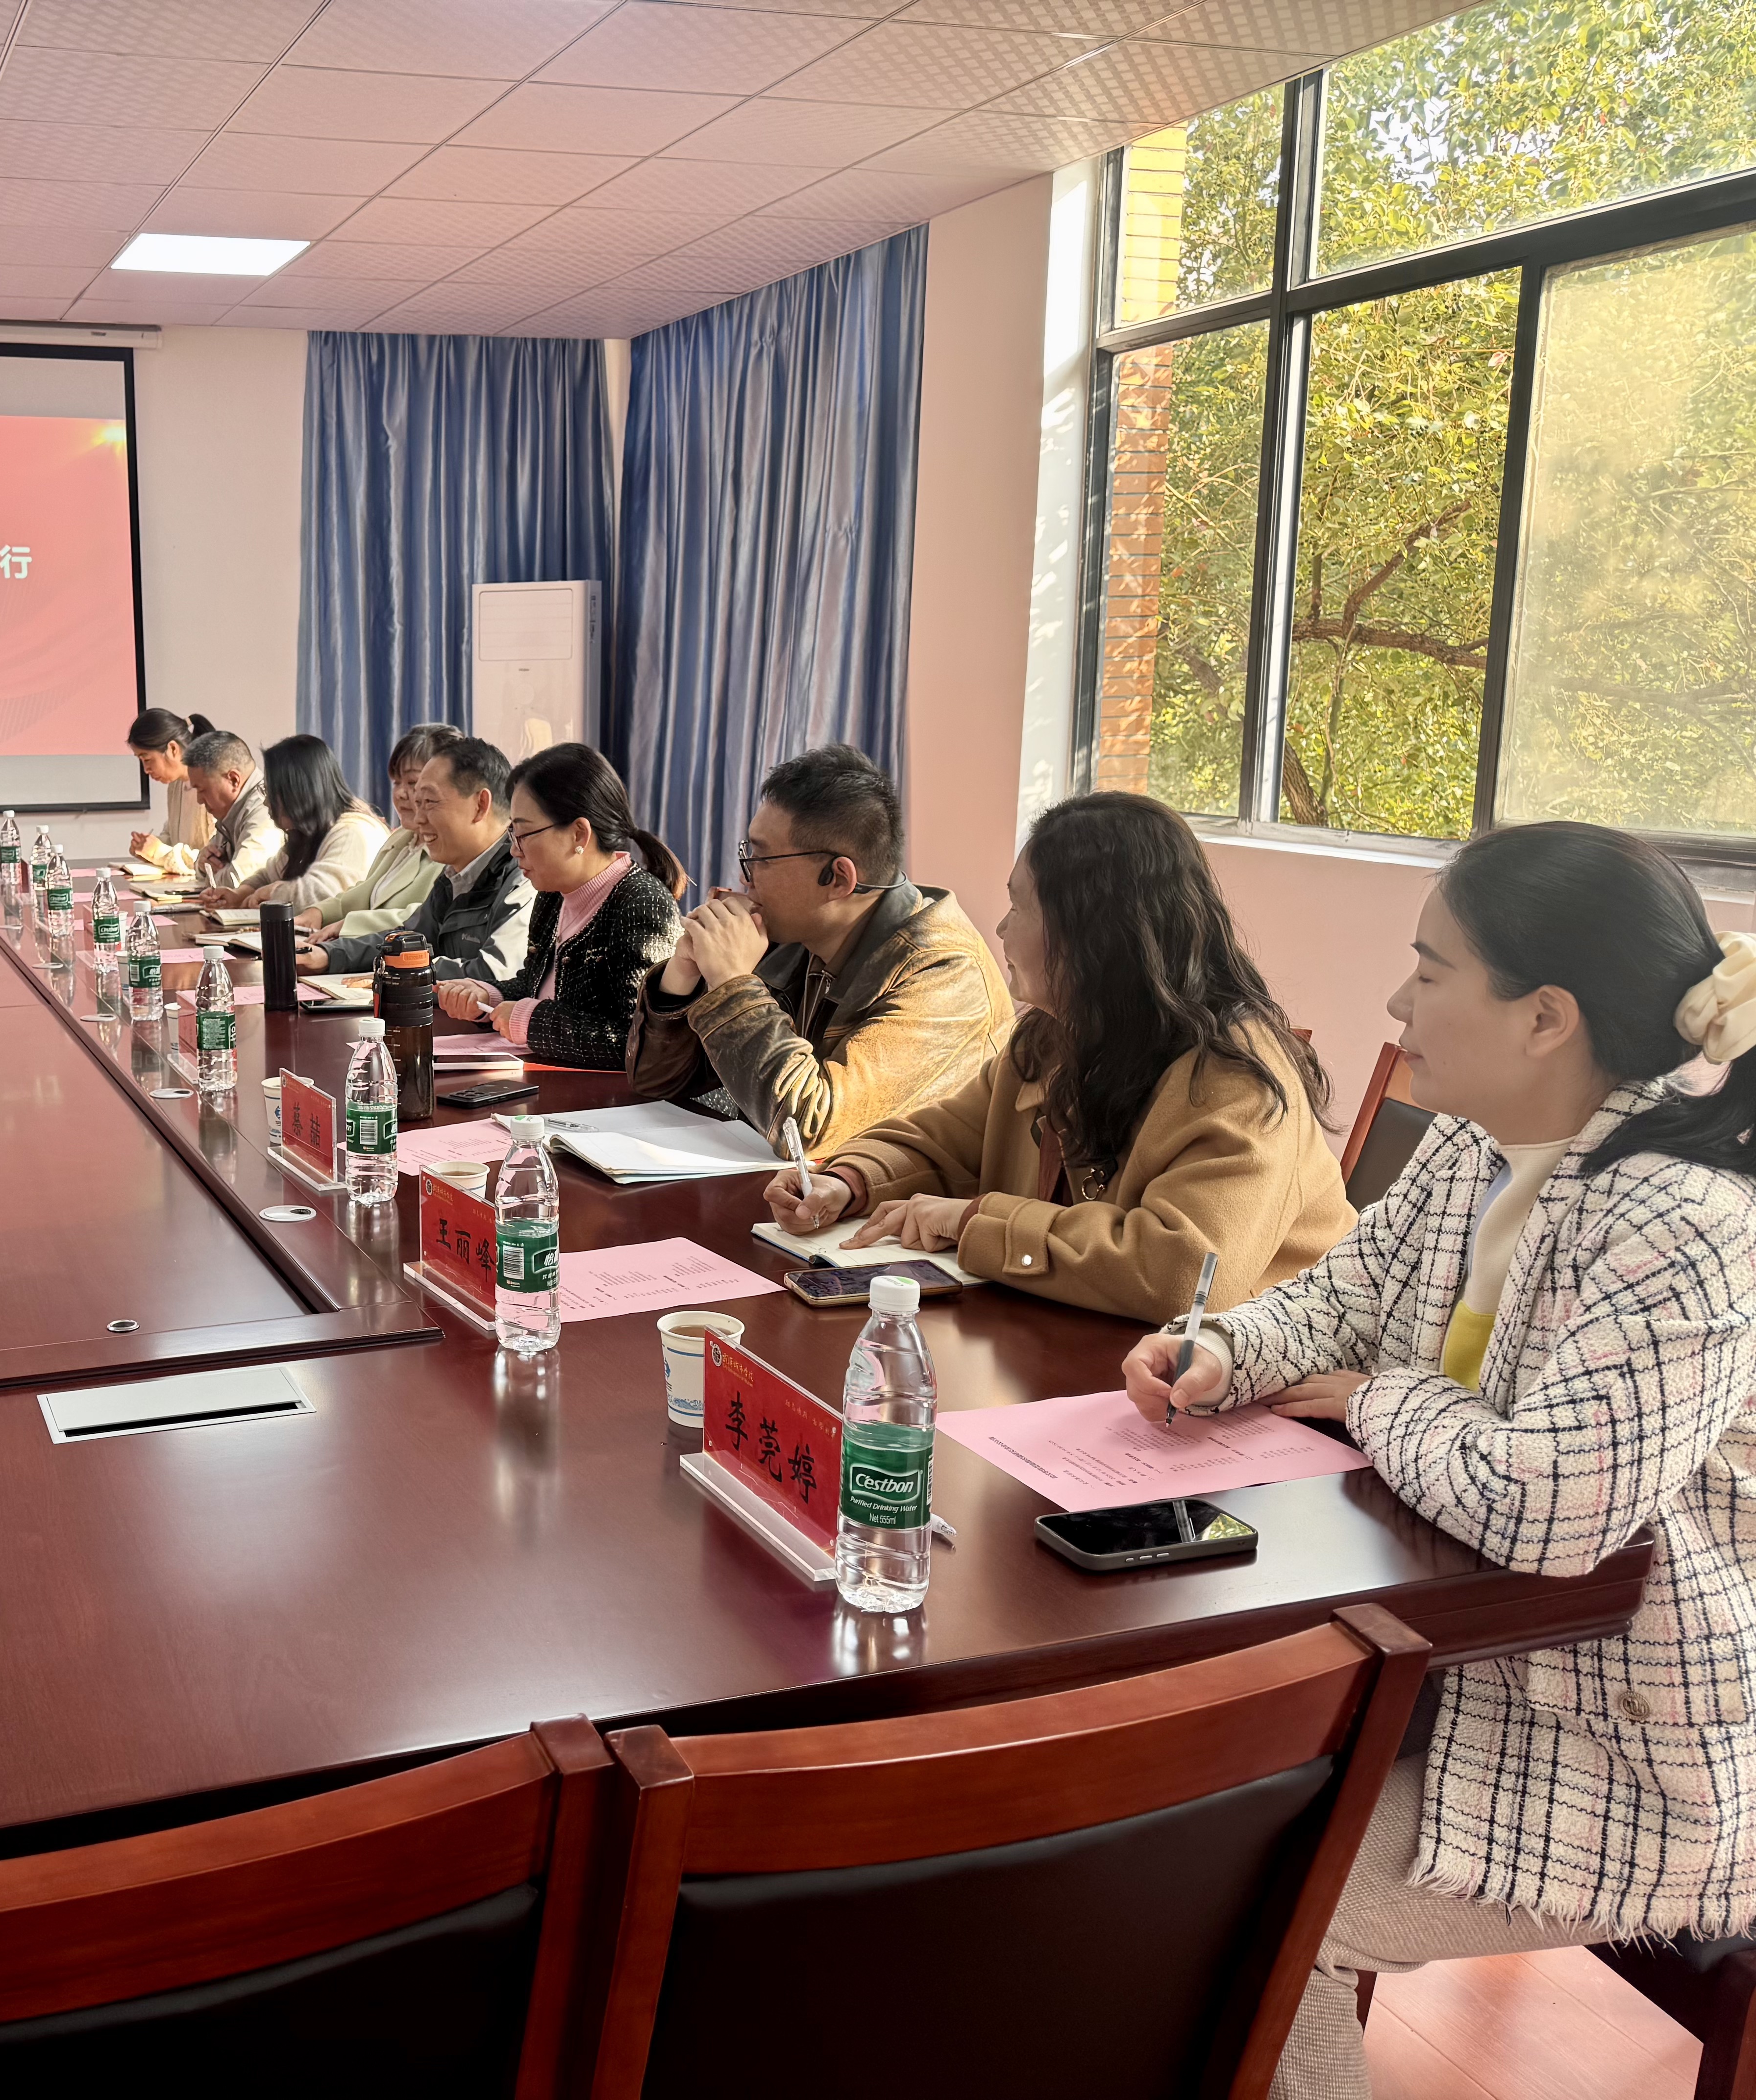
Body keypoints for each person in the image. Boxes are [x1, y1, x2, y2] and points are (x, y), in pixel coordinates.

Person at [1118, 824, 1756, 2100]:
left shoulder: (1687, 1222)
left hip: (1626, 1742)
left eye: (1430, 967)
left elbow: (1549, 1509)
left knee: (1236, 1906)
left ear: (1546, 1017)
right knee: (1163, 1818)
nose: (1398, 1002)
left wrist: (1382, 1401)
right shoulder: (1476, 1142)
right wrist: (1219, 1350)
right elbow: (1339, 1300)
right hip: (1455, 1669)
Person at [767, 792, 1350, 1322]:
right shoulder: (1052, 1037)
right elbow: (940, 1139)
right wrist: (848, 1182)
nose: (1000, 928)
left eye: (1019, 907)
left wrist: (974, 1221)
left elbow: (1183, 1275)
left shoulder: (1237, 1077)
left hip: (1253, 1381)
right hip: (1083, 1347)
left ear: (1091, 934)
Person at [627, 745, 1012, 1156]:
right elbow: (655, 1082)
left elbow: (808, 1131)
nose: (746, 879)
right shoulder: (794, 936)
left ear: (838, 878)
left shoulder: (944, 971)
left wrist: (733, 985)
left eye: (761, 858)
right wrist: (683, 975)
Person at [436, 744, 684, 1069]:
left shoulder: (641, 903)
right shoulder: (553, 895)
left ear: (579, 834)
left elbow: (637, 1041)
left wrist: (532, 1022)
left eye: (524, 833)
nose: (514, 850)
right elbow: (536, 986)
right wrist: (488, 996)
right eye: (512, 833)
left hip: (608, 1097)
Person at [305, 737, 534, 983]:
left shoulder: (523, 874)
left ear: (480, 805)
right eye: (418, 804)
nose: (419, 819)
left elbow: (496, 974)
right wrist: (328, 956)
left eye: (430, 802)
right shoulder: (455, 875)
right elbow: (411, 939)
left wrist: (400, 974)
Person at [305, 723, 454, 942]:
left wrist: (348, 925)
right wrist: (318, 913)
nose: (401, 793)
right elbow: (366, 891)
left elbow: (424, 918)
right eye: (397, 782)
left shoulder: (451, 850)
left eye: (413, 783)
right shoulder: (402, 837)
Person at [207, 734, 386, 911]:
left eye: (270, 793)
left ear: (297, 792)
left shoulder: (354, 832)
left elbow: (320, 894)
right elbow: (268, 875)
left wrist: (275, 892)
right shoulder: (308, 833)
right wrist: (239, 895)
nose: (266, 802)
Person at [183, 728, 284, 893]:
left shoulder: (265, 809)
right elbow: (208, 866)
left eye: (202, 790)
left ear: (234, 780)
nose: (199, 800)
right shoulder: (231, 809)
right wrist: (203, 865)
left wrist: (212, 876)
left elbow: (238, 882)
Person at [126, 708, 216, 874]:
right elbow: (173, 837)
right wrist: (148, 849)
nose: (146, 770)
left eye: (148, 759)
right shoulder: (176, 785)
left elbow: (214, 860)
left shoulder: (213, 786)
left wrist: (158, 852)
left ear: (173, 749)